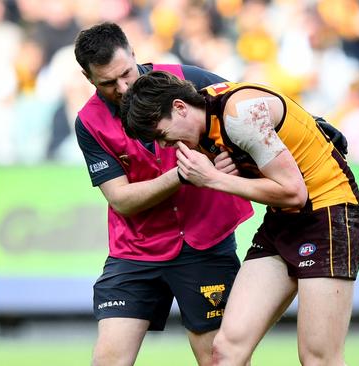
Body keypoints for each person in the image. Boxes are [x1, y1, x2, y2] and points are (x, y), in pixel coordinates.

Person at [121, 71, 359, 366]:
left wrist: (213, 178)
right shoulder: (202, 122)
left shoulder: (240, 116)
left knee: (318, 358)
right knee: (225, 350)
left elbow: (294, 193)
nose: (165, 146)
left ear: (180, 107)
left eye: (162, 135)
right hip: (282, 220)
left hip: (329, 213)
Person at [73, 22, 255, 366]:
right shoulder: (89, 122)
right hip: (136, 250)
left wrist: (311, 124)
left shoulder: (187, 80)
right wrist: (186, 174)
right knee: (107, 361)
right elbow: (121, 199)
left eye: (126, 73)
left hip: (205, 243)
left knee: (221, 359)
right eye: (108, 83)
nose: (124, 87)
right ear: (88, 78)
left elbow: (249, 105)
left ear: (134, 54)